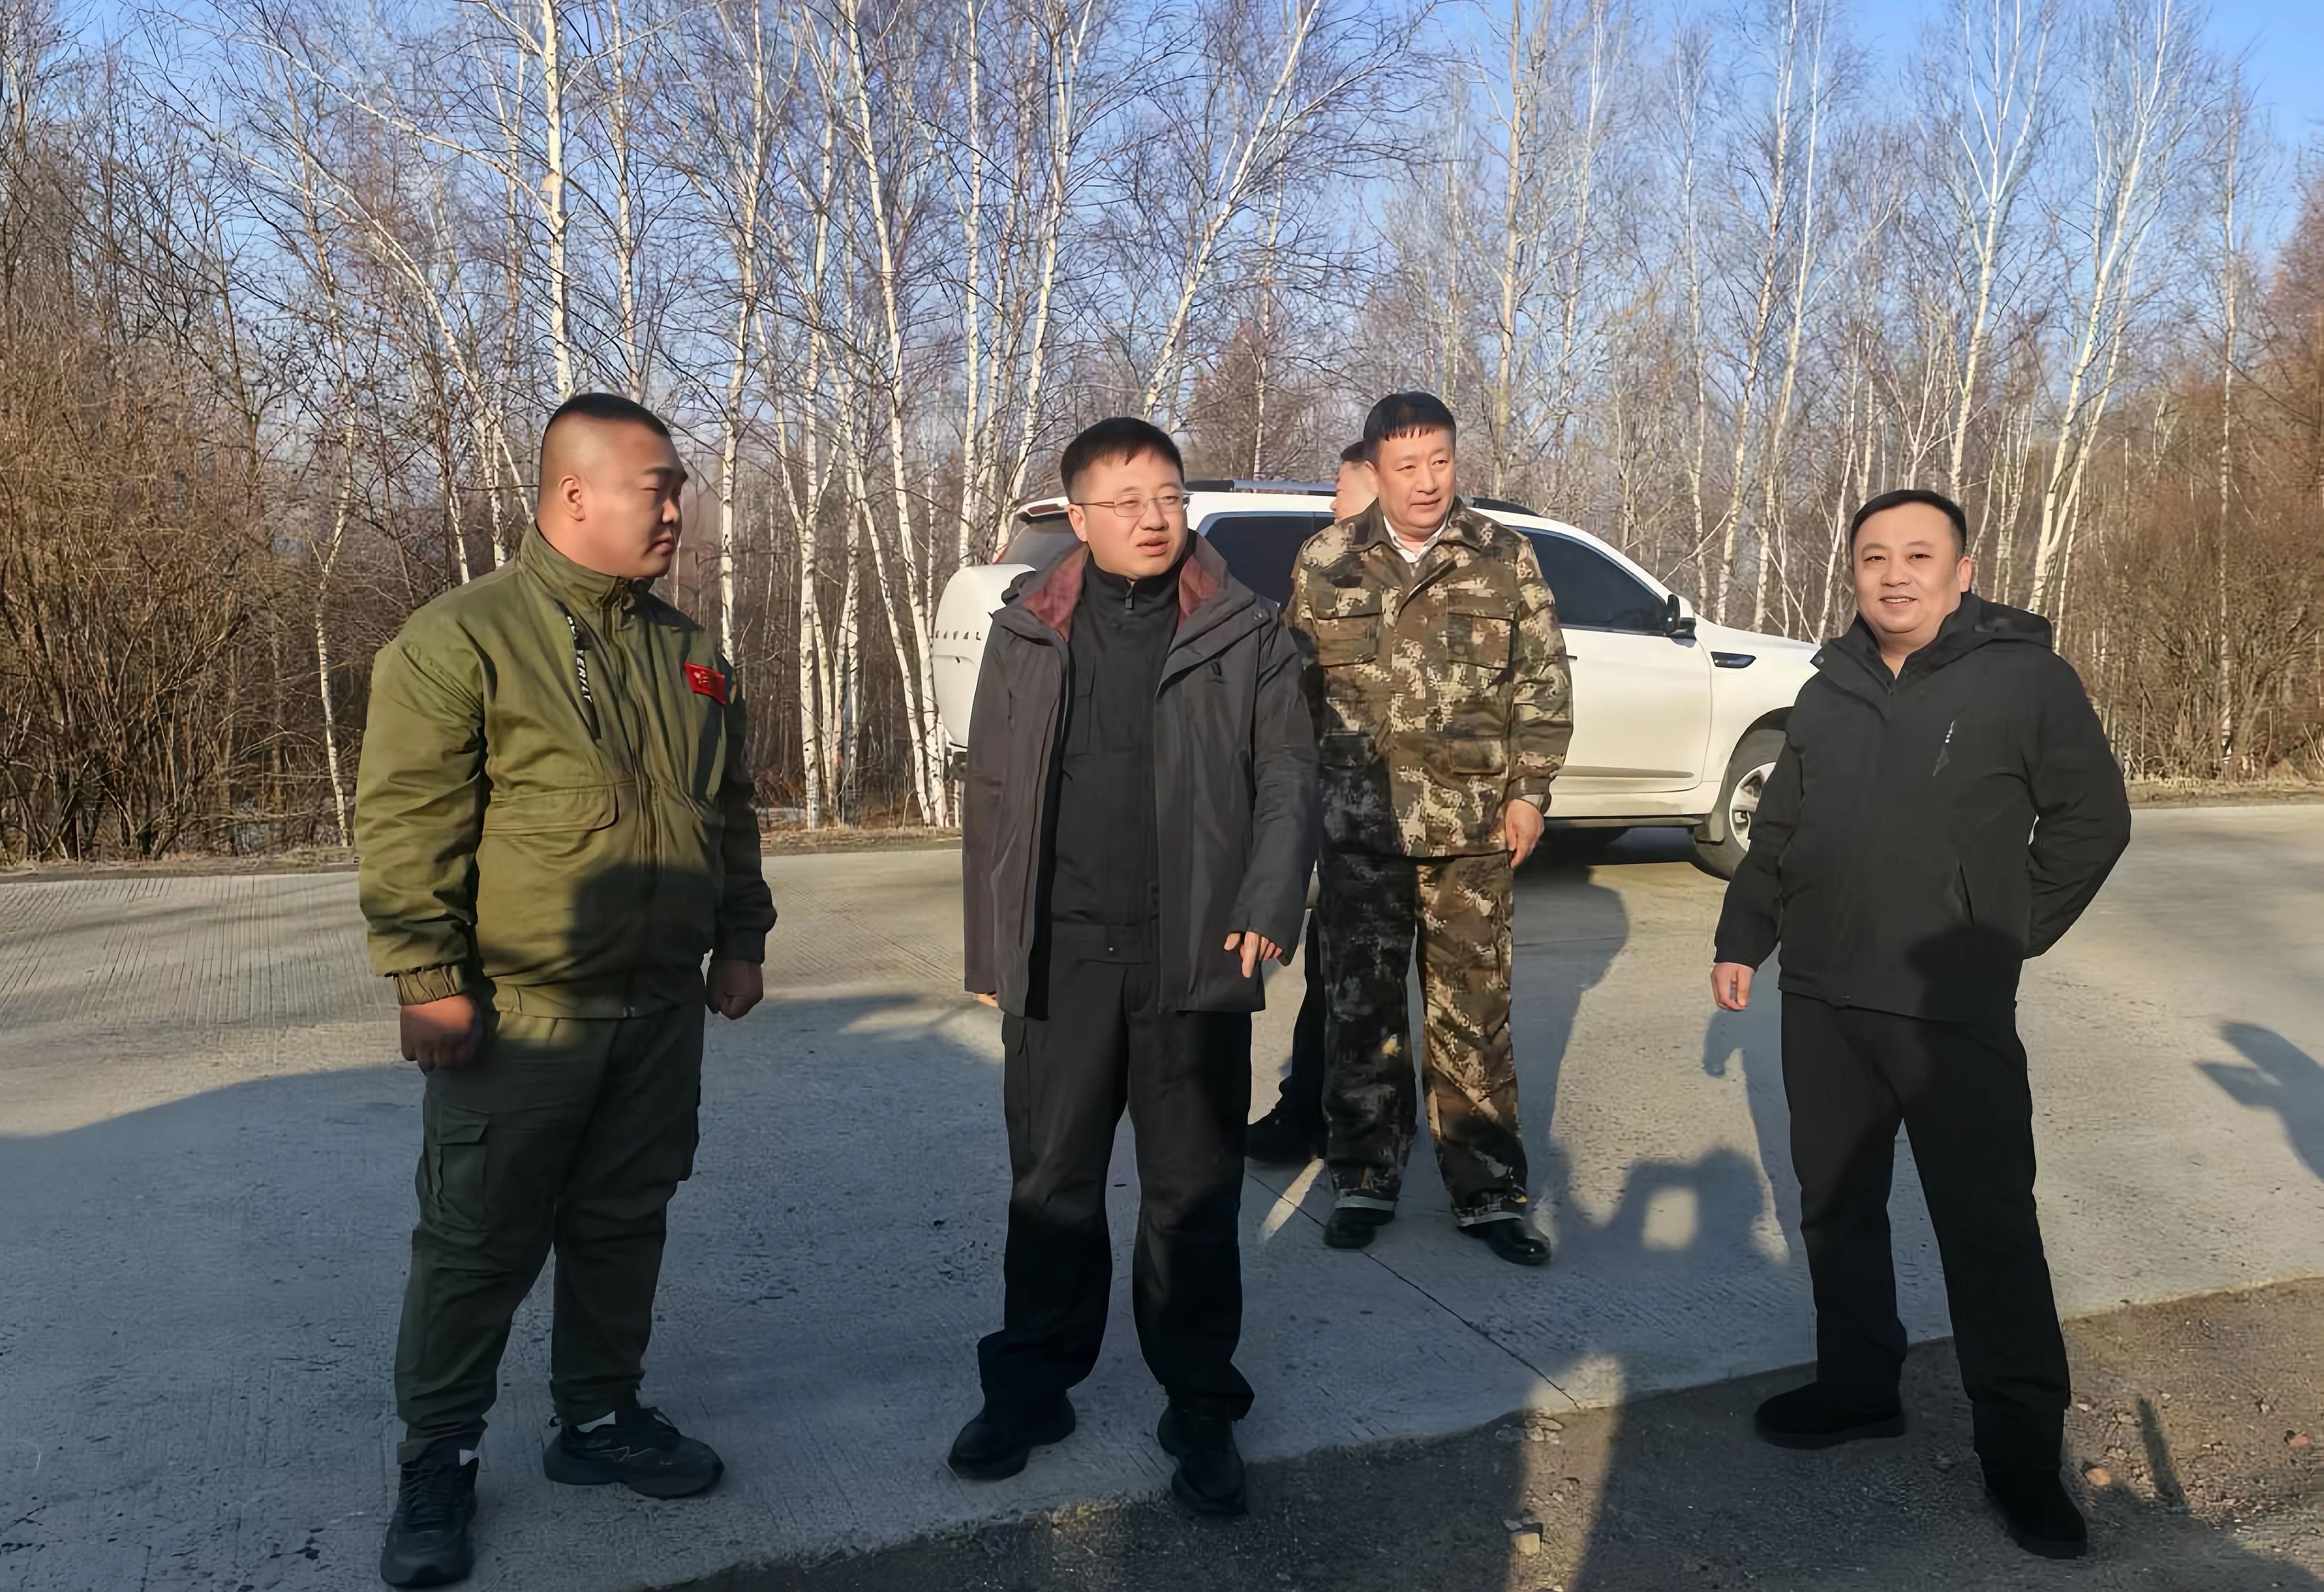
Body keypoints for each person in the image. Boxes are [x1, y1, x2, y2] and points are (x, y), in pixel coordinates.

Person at [356, 393, 774, 1588]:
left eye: (678, 488)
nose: (677, 509)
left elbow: (727, 813)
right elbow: (409, 823)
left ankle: (597, 1417)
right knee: (476, 1240)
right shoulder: (462, 638)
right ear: (574, 493)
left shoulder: (691, 651)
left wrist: (738, 939)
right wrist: (426, 976)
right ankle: (439, 1455)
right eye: (658, 487)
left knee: (623, 1219)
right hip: (521, 1015)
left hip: (657, 1012)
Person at [1710, 487, 2131, 1560]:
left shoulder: (2025, 680)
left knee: (1986, 1228)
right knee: (1835, 1205)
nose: (1892, 575)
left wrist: (2000, 935)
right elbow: (1779, 828)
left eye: (1915, 555)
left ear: (1960, 571)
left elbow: (2091, 821)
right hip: (1822, 998)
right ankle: (1858, 1387)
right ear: (1851, 573)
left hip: (1949, 1011)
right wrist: (1742, 935)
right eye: (1871, 558)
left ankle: (2021, 1457)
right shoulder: (1825, 689)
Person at [953, 417, 1316, 1515]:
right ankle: (1030, 1387)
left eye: (1167, 496)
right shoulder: (1027, 629)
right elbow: (992, 793)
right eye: (1126, 501)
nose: (1153, 518)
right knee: (1049, 1185)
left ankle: (1198, 1402)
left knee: (1191, 1193)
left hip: (1191, 952)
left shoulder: (1245, 629)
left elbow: (1286, 778)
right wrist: (990, 940)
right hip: (1061, 955)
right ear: (1078, 517)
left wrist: (1267, 902)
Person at [1284, 392, 1571, 1266]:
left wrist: (1530, 793)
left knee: (1473, 1018)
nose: (1426, 481)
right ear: (1375, 470)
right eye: (1406, 466)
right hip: (1358, 833)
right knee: (1359, 1013)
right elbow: (1294, 698)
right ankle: (1363, 1178)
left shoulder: (1503, 556)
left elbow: (1541, 683)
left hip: (1471, 832)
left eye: (1439, 461)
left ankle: (1487, 1191)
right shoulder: (1325, 561)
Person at [1247, 440, 1378, 1166]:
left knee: (1357, 981)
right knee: (1336, 974)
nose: (1331, 501)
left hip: (1409, 817)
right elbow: (1293, 667)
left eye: (1340, 485)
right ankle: (1313, 1113)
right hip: (1342, 804)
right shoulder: (1323, 563)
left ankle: (1340, 1122)